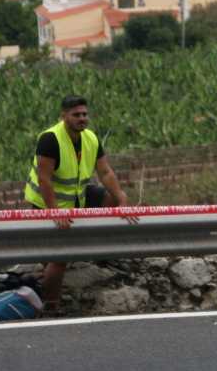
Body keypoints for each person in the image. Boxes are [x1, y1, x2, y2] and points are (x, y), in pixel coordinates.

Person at [23, 95, 135, 310]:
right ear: (64, 116)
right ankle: (51, 306)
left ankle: (91, 247)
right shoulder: (50, 139)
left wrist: (122, 200)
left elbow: (105, 172)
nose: (82, 118)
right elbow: (44, 179)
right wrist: (54, 212)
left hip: (77, 196)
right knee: (59, 259)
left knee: (111, 197)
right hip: (47, 203)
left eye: (84, 114)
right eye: (76, 115)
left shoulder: (90, 138)